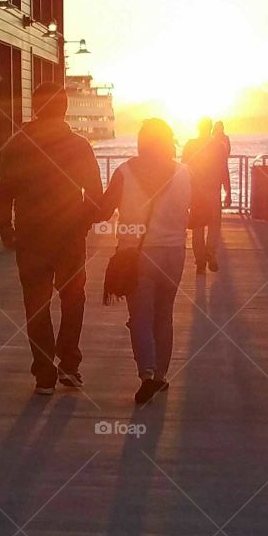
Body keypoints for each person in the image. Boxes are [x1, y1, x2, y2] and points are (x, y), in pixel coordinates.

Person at [0, 81, 103, 395]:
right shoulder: (79, 145)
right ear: (65, 108)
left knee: (36, 305)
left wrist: (6, 229)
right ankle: (69, 364)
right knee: (73, 299)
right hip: (69, 237)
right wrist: (83, 223)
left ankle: (44, 373)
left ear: (35, 108)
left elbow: (4, 192)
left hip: (30, 238)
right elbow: (94, 195)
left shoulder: (17, 144)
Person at [96, 119, 191, 404]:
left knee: (140, 317)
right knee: (164, 317)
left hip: (137, 254)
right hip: (174, 254)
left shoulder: (124, 172)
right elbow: (196, 213)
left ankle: (147, 375)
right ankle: (161, 375)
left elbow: (102, 212)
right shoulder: (185, 173)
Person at [182, 117, 232, 274]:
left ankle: (200, 260)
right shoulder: (219, 146)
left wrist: (183, 190)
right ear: (210, 128)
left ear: (198, 127)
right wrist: (228, 191)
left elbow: (183, 168)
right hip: (213, 190)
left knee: (197, 226)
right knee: (214, 224)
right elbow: (224, 170)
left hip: (196, 191)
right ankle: (210, 253)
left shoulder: (190, 144)